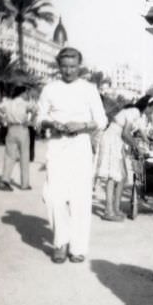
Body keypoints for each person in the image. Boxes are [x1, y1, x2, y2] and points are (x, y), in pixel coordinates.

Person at [36, 47, 107, 263]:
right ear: (59, 66)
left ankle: (77, 247)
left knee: (80, 198)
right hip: (57, 145)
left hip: (80, 146)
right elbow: (39, 118)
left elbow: (102, 120)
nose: (68, 71)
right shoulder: (50, 89)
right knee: (53, 196)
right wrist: (50, 122)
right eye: (64, 67)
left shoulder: (89, 89)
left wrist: (83, 125)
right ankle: (60, 242)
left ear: (79, 67)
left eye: (73, 67)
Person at [96, 95, 153, 221]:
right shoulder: (134, 112)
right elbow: (126, 133)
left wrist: (148, 143)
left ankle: (115, 208)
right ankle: (108, 211)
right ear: (147, 106)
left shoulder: (138, 115)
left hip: (117, 141)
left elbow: (141, 133)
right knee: (112, 176)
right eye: (152, 108)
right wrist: (137, 146)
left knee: (122, 177)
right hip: (111, 139)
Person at [0, 85, 36, 191]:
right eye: (26, 93)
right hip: (22, 129)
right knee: (24, 156)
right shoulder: (26, 103)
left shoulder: (8, 103)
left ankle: (5, 181)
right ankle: (24, 184)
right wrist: (31, 120)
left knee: (9, 156)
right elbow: (36, 109)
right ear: (22, 93)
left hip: (11, 129)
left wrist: (4, 116)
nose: (27, 94)